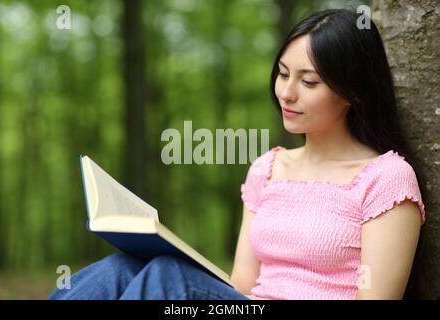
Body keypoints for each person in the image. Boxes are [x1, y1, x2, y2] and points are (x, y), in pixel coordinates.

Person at [49, 8, 426, 300]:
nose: (287, 93)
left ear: (354, 92)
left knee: (168, 276)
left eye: (308, 81)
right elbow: (240, 288)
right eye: (282, 74)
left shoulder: (386, 177)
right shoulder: (267, 168)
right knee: (120, 268)